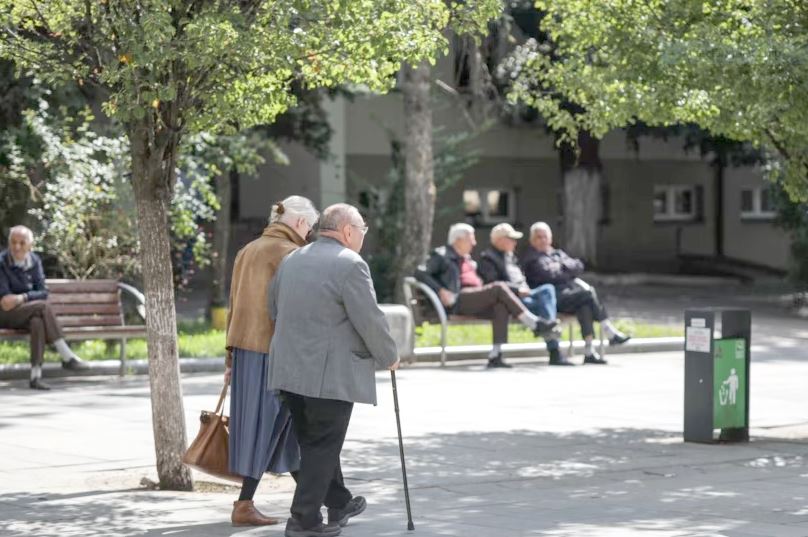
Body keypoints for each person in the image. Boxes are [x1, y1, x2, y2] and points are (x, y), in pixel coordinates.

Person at [267, 203, 400, 537]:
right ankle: (303, 521)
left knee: (314, 444)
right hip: (329, 374)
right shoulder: (350, 264)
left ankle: (339, 502)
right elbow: (369, 318)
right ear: (347, 231)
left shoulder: (292, 258)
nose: (362, 240)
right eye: (362, 233)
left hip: (290, 370)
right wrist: (389, 356)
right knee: (322, 446)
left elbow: (273, 308)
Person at [224, 196, 319, 527]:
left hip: (245, 349)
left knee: (278, 426)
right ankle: (245, 503)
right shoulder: (290, 254)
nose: (309, 234)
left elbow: (234, 305)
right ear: (297, 222)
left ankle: (328, 498)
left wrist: (229, 355)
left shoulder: (248, 250)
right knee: (275, 426)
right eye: (309, 226)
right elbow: (295, 309)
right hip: (275, 351)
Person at [415, 223, 558, 369]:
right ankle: (534, 323)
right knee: (498, 287)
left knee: (500, 305)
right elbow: (420, 272)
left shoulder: (468, 259)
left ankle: (495, 355)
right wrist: (440, 290)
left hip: (474, 298)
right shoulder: (442, 254)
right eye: (471, 239)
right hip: (458, 299)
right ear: (458, 240)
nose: (474, 243)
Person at [521, 222, 630, 365]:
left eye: (545, 237)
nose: (542, 240)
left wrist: (561, 267)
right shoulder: (532, 258)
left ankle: (589, 352)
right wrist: (566, 269)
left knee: (584, 305)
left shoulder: (557, 253)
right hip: (551, 299)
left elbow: (578, 266)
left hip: (568, 296)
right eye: (538, 237)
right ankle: (608, 330)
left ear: (550, 239)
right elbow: (549, 276)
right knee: (588, 294)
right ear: (532, 240)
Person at [0, 225, 88, 390]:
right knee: (42, 307)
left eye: (22, 242)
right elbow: (5, 302)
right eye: (13, 242)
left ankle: (35, 376)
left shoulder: (34, 261)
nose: (17, 247)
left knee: (37, 321)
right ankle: (66, 355)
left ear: (30, 245)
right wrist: (29, 297)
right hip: (4, 315)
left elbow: (43, 292)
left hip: (27, 312)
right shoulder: (1, 263)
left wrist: (22, 297)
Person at [478, 223, 569, 366]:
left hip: (527, 296)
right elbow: (494, 285)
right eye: (511, 239)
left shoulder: (510, 257)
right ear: (499, 240)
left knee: (547, 289)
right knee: (545, 302)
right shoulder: (488, 259)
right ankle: (553, 347)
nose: (515, 242)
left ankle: (547, 327)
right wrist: (517, 290)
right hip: (511, 301)